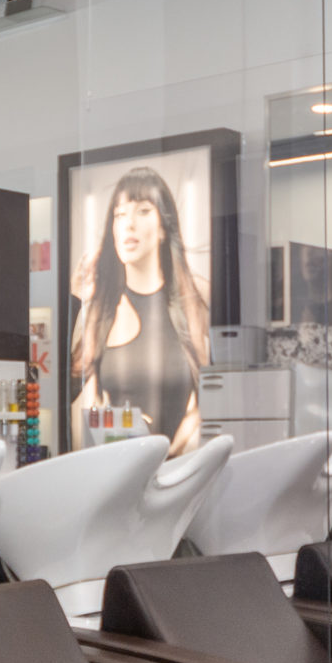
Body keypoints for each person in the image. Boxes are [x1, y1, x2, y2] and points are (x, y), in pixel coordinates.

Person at [71, 166, 210, 452]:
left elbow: (217, 393)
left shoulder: (195, 297)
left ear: (163, 228)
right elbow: (69, 393)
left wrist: (174, 449)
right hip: (118, 464)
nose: (129, 224)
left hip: (179, 465)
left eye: (143, 211)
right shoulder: (101, 310)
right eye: (120, 215)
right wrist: (75, 299)